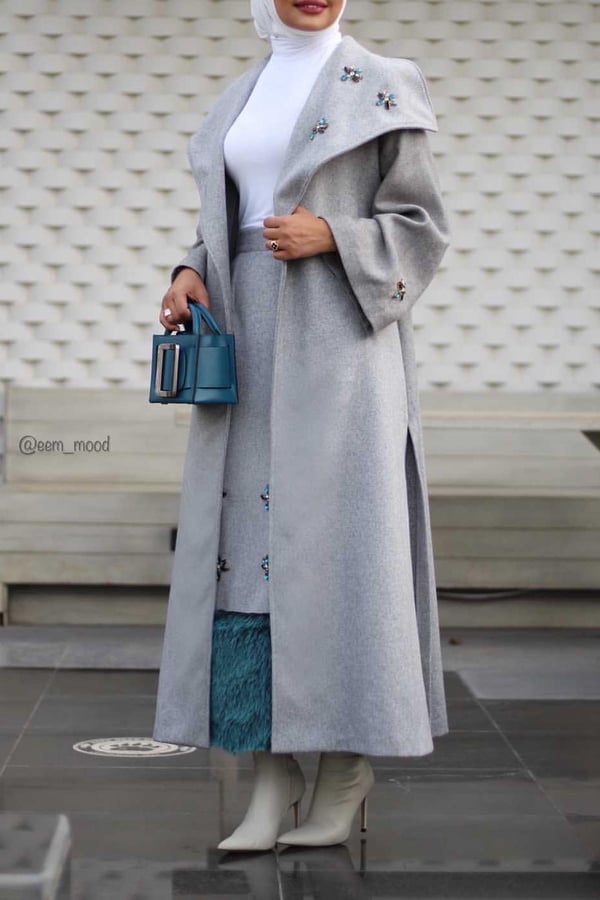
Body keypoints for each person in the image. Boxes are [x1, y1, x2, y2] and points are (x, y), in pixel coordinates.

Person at [152, 0, 450, 852]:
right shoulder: (241, 93)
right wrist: (190, 269)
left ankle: (347, 768)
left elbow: (423, 228)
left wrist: (335, 234)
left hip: (338, 341)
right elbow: (228, 222)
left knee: (342, 548)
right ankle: (269, 771)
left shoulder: (382, 84)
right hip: (246, 341)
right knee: (245, 555)